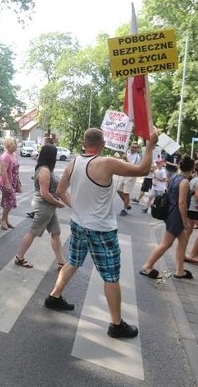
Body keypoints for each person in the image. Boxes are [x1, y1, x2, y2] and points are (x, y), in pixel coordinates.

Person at [45, 127, 158, 340]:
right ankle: (116, 324)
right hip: (101, 229)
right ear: (103, 144)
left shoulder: (73, 163)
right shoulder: (105, 163)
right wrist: (150, 145)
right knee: (111, 275)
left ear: (83, 144)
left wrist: (76, 207)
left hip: (79, 223)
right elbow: (143, 169)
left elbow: (60, 191)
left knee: (74, 261)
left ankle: (54, 296)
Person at [139, 155, 195, 280]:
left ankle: (180, 270)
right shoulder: (184, 181)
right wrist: (185, 220)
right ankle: (147, 266)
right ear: (192, 168)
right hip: (176, 215)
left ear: (179, 166)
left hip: (170, 212)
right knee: (166, 243)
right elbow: (182, 202)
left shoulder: (175, 177)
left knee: (183, 241)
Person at [14, 145, 67, 269]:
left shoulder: (45, 169)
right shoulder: (44, 170)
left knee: (55, 233)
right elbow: (44, 193)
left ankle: (61, 261)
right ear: (51, 156)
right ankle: (19, 257)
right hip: (44, 206)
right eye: (55, 155)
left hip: (48, 206)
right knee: (33, 232)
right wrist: (57, 203)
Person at [0, 137, 20, 230]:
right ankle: (2, 219)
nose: (16, 147)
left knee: (7, 201)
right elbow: (3, 171)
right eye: (14, 145)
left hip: (13, 181)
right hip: (6, 181)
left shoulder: (14, 154)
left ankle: (5, 220)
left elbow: (16, 168)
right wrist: (7, 184)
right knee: (11, 201)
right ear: (8, 145)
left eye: (16, 145)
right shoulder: (5, 156)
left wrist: (18, 180)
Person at [117, 143, 141, 216]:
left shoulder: (137, 157)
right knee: (118, 190)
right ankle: (127, 204)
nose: (133, 148)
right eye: (132, 147)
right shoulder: (127, 152)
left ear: (137, 149)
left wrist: (126, 159)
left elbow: (132, 166)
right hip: (124, 174)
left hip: (131, 175)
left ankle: (125, 209)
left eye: (135, 147)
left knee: (126, 193)